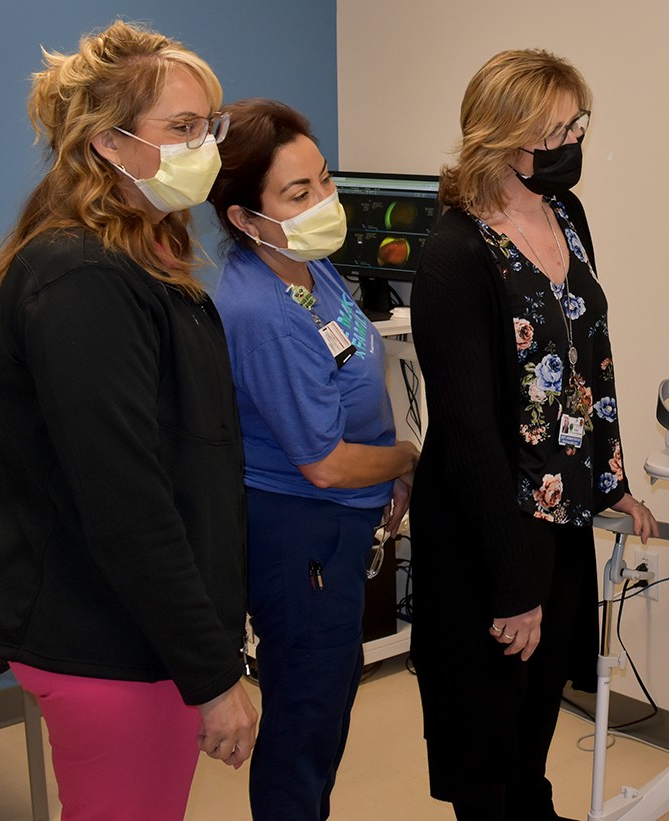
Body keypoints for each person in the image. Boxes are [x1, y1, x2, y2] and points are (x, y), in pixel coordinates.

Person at [0, 20, 257, 820]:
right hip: (110, 639)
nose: (207, 144)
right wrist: (211, 673)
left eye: (211, 125)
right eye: (184, 128)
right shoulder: (84, 278)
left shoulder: (139, 256)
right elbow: (124, 498)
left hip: (140, 628)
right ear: (110, 144)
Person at [407, 49, 658, 820]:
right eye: (556, 129)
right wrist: (515, 584)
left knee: (537, 711)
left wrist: (610, 479)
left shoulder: (565, 217)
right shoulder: (455, 254)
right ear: (503, 138)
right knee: (484, 734)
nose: (572, 141)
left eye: (577, 123)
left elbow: (590, 358)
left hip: (559, 515)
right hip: (485, 528)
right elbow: (470, 432)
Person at [207, 98, 420, 820]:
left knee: (325, 697)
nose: (325, 201)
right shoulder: (261, 310)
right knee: (306, 714)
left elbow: (352, 361)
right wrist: (403, 459)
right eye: (298, 194)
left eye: (324, 181)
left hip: (336, 520)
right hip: (302, 526)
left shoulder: (307, 266)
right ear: (243, 216)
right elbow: (324, 463)